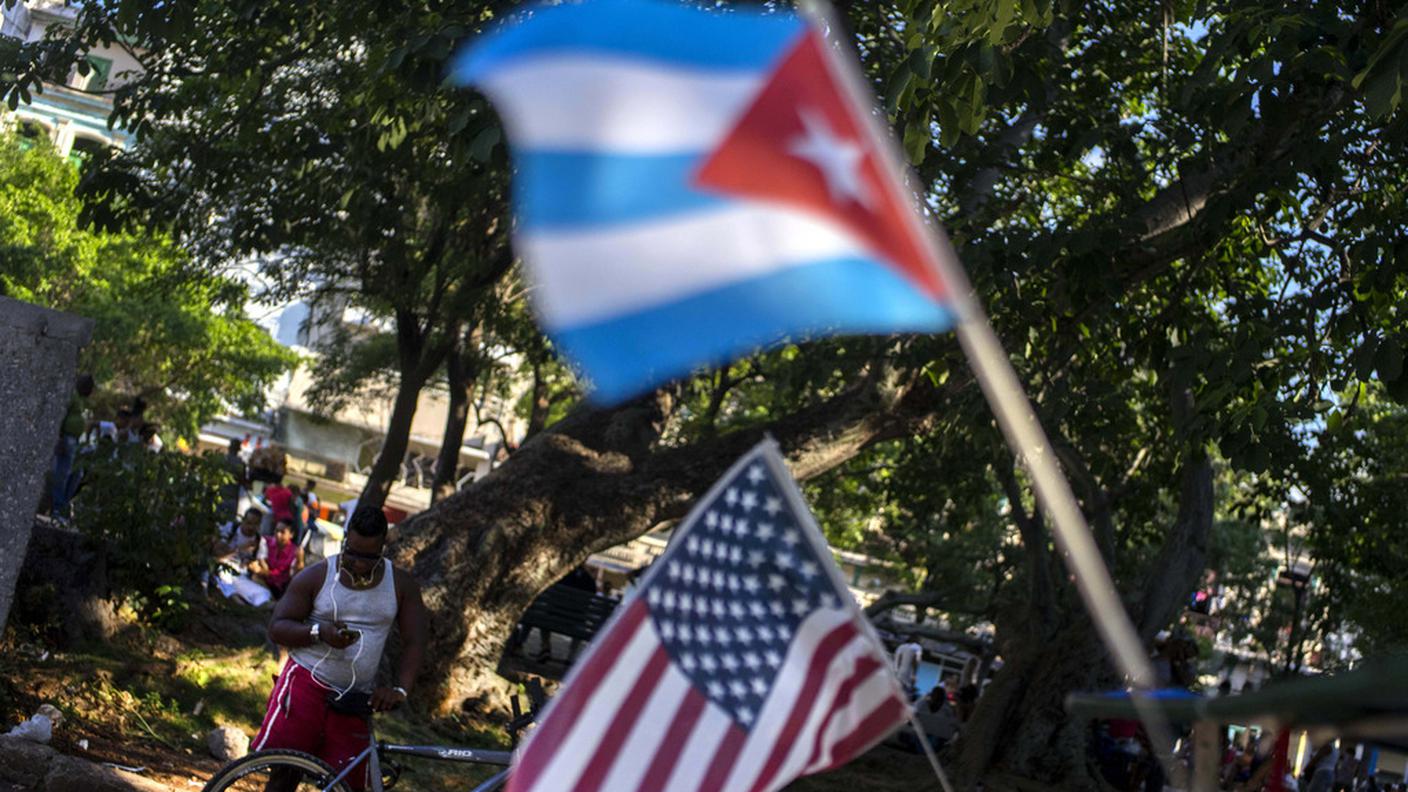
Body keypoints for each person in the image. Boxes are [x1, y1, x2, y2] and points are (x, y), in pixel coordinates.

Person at [252, 507, 428, 790]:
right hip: (306, 683)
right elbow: (278, 627)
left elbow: (415, 641)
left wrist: (400, 689)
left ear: (383, 547)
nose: (357, 563)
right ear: (345, 540)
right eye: (352, 552)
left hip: (354, 697)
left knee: (348, 781)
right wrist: (319, 632)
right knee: (285, 773)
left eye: (367, 557)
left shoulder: (401, 585)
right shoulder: (318, 576)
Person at [50, 373, 94, 517]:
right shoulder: (72, 396)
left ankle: (63, 506)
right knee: (63, 473)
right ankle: (57, 509)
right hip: (66, 439)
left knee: (77, 474)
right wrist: (60, 438)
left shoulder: (82, 401)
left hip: (76, 441)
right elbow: (61, 416)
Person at [251, 519, 304, 598]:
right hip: (262, 580)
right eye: (276, 530)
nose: (278, 534)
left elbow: (294, 575)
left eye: (282, 532)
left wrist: (300, 560)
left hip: (278, 589)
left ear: (291, 534)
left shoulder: (295, 552)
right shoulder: (265, 541)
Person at [893, 635, 923, 699]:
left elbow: (898, 659)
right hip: (907, 677)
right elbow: (916, 660)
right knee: (903, 696)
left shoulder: (900, 647)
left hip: (896, 674)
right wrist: (914, 675)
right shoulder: (917, 647)